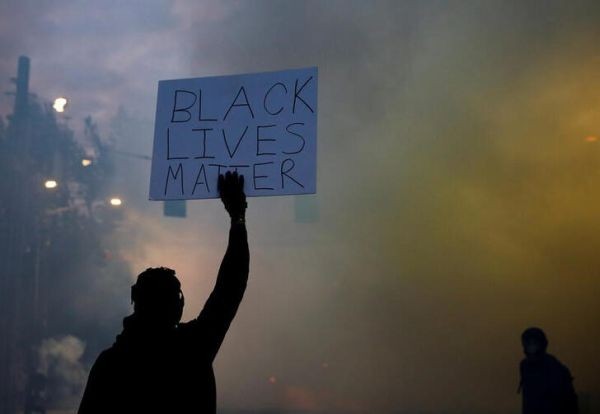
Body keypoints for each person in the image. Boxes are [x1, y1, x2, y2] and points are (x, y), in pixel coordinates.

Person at [78, 172, 249, 414]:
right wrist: (237, 217)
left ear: (136, 302)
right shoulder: (192, 349)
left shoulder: (111, 363)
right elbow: (230, 286)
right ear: (177, 306)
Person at [518, 327, 578, 414]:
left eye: (534, 343)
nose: (531, 347)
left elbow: (568, 401)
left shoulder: (554, 367)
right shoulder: (525, 365)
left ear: (542, 345)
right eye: (529, 344)